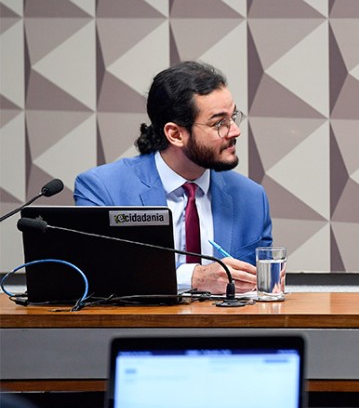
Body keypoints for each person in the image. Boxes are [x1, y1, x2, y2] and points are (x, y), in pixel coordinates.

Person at [74, 61, 270, 293]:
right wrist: (193, 277)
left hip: (226, 328)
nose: (235, 131)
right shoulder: (103, 189)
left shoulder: (251, 198)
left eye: (233, 117)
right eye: (219, 123)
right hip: (141, 328)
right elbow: (96, 273)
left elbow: (261, 287)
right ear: (175, 134)